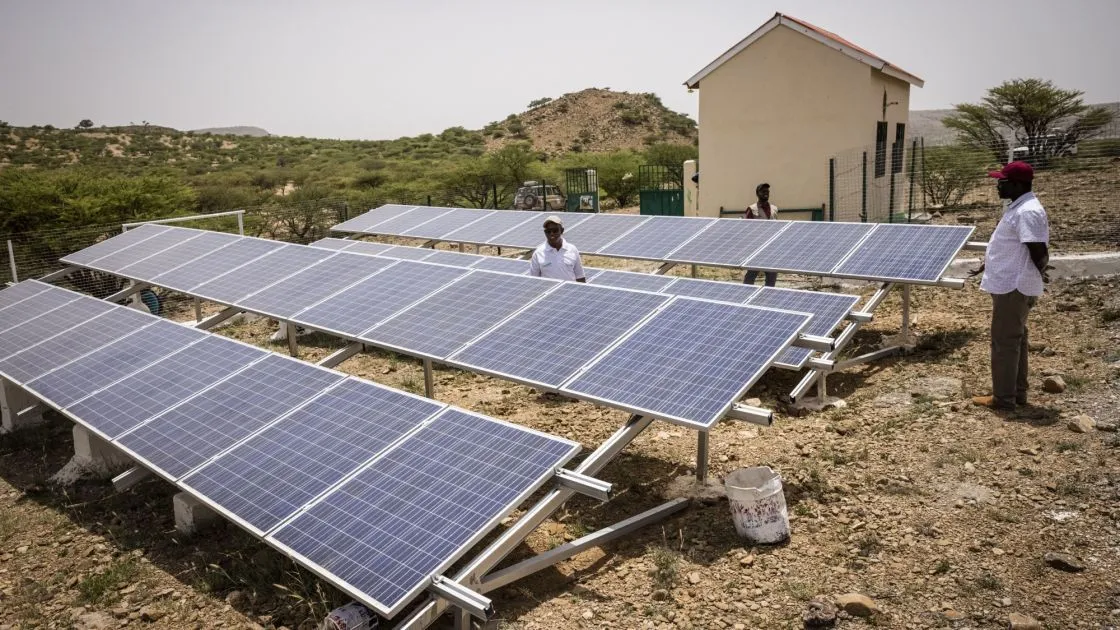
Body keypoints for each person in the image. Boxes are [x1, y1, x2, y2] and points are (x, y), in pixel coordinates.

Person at [971, 161, 1050, 412]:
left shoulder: (1027, 211)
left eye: (1001, 181)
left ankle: (1003, 399)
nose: (997, 185)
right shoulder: (1019, 208)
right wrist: (989, 264)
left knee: (1004, 342)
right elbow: (1015, 245)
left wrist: (1039, 273)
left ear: (1017, 184)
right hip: (1012, 284)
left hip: (1013, 287)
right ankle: (1016, 393)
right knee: (1016, 339)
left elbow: (1038, 249)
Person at [529, 215, 586, 282]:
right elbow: (534, 280)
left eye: (555, 230)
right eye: (548, 231)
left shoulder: (572, 250)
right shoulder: (538, 253)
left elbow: (580, 277)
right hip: (548, 292)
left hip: (569, 291)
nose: (551, 234)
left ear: (562, 231)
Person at [743, 182, 779, 287]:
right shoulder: (752, 209)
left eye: (767, 191)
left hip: (771, 249)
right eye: (763, 191)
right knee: (751, 276)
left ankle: (768, 297)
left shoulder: (774, 209)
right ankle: (745, 296)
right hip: (757, 248)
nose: (766, 193)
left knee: (772, 276)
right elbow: (746, 229)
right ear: (757, 193)